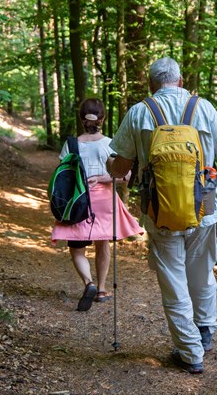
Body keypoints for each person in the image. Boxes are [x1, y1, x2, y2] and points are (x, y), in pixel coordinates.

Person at [106, 57, 217, 374]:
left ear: (151, 85)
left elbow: (121, 167)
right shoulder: (202, 107)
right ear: (180, 81)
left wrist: (113, 167)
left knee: (173, 280)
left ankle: (191, 352)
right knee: (202, 272)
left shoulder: (140, 112)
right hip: (203, 208)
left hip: (159, 209)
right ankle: (204, 331)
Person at [52, 98, 143, 312]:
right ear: (102, 119)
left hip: (78, 201)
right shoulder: (111, 144)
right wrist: (103, 178)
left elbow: (63, 176)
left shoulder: (71, 144)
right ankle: (101, 290)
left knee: (76, 247)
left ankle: (88, 283)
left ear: (82, 118)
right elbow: (127, 177)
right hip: (105, 201)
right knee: (104, 245)